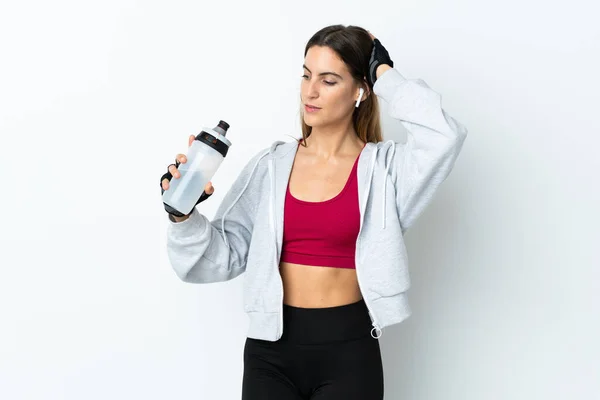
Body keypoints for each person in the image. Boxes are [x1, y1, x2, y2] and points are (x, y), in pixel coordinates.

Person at [160, 24, 468, 400]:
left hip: (348, 353)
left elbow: (444, 135)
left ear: (360, 90)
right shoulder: (270, 165)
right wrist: (183, 217)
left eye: (329, 79)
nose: (311, 90)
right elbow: (223, 256)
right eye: (306, 75)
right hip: (270, 353)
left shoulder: (386, 170)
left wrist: (384, 74)